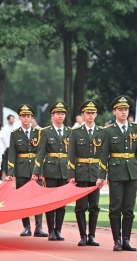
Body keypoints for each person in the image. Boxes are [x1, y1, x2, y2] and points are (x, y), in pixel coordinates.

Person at [97, 96, 137, 252]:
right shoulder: (108, 131)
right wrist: (101, 176)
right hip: (116, 172)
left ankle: (126, 240)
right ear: (115, 111)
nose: (124, 112)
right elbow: (103, 155)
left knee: (129, 208)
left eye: (126, 109)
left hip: (131, 171)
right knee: (115, 207)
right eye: (120, 110)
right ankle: (117, 240)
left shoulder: (136, 129)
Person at [7, 104, 47, 237]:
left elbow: (42, 152)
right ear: (19, 117)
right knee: (23, 199)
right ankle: (26, 227)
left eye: (28, 116)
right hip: (22, 169)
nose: (26, 118)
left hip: (36, 169)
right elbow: (12, 153)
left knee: (38, 198)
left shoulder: (39, 132)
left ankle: (39, 227)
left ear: (31, 118)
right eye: (23, 116)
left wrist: (40, 169)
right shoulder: (15, 134)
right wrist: (10, 172)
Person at [33, 101, 71, 241]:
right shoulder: (45, 131)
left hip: (64, 170)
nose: (60, 116)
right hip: (50, 169)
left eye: (62, 114)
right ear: (52, 115)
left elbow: (72, 154)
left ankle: (58, 230)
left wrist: (72, 172)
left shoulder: (69, 132)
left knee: (61, 202)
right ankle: (50, 231)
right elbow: (40, 153)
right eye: (58, 114)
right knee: (50, 202)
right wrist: (37, 170)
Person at [67, 100, 102, 247]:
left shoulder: (102, 131)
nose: (90, 115)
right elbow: (71, 155)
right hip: (80, 172)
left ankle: (92, 236)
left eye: (93, 113)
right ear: (83, 114)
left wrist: (103, 174)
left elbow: (104, 154)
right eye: (88, 113)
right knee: (81, 206)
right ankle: (83, 236)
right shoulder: (75, 132)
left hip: (95, 172)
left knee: (94, 205)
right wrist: (71, 174)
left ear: (96, 114)